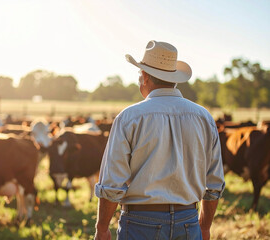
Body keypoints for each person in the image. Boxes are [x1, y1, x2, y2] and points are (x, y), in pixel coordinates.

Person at [94, 40, 225, 240]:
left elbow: (113, 184)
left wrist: (102, 228)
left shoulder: (129, 118)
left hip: (140, 222)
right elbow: (214, 185)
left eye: (139, 74)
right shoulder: (204, 118)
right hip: (188, 220)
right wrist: (204, 227)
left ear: (145, 77)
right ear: (173, 78)